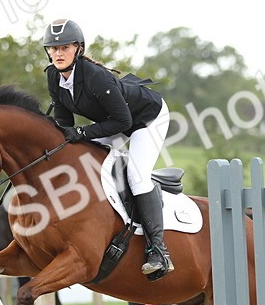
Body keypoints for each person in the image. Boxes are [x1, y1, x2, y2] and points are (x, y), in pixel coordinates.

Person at [43, 18, 174, 277]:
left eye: (65, 48)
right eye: (53, 49)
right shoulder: (53, 76)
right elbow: (63, 123)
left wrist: (81, 132)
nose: (58, 53)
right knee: (79, 159)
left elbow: (123, 122)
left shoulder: (96, 77)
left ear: (78, 49)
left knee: (137, 176)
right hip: (113, 122)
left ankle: (158, 250)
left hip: (146, 119)